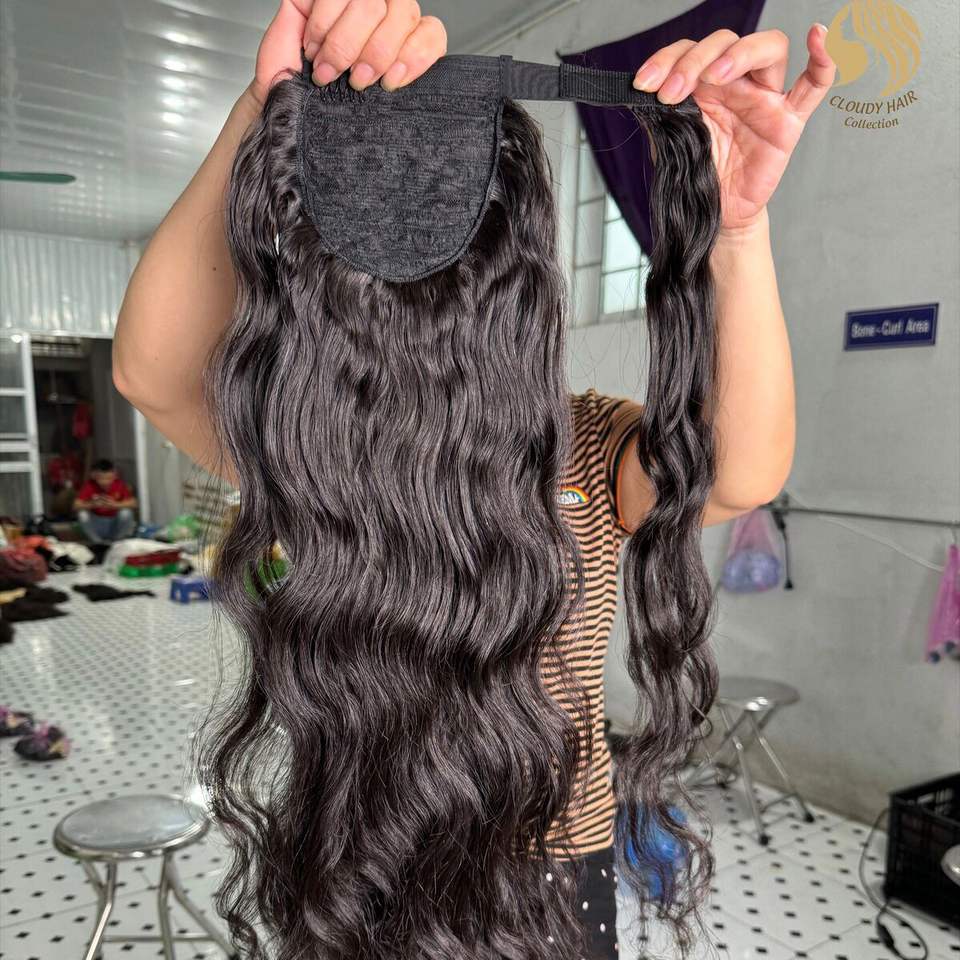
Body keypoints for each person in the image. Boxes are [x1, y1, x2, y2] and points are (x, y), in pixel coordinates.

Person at [112, 2, 834, 956]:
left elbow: (735, 471)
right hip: (361, 856)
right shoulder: (317, 449)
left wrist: (733, 232)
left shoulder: (580, 446)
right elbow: (153, 374)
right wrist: (265, 105)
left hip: (550, 865)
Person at [74, 459, 137, 544]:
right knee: (82, 514)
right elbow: (76, 505)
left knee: (126, 513)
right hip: (97, 523)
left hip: (114, 523)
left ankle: (117, 541)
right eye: (101, 478)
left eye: (108, 478)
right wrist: (92, 504)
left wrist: (115, 505)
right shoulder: (89, 485)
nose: (105, 482)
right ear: (95, 476)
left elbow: (133, 503)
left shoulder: (119, 484)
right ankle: (98, 543)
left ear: (114, 475)